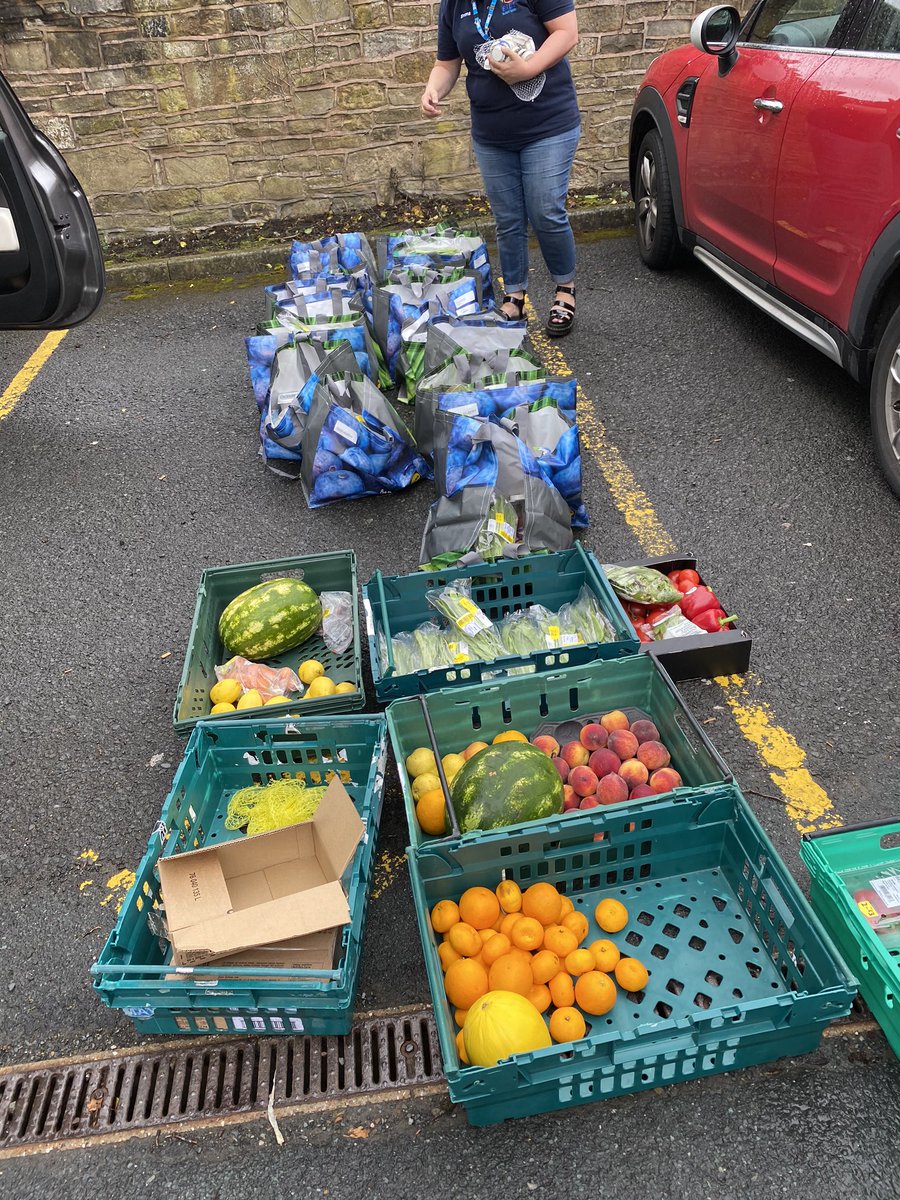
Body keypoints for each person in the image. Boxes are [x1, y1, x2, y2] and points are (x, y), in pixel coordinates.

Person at [420, 1, 580, 337]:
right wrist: (433, 88)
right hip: (492, 133)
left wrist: (529, 68)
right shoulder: (454, 5)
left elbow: (566, 33)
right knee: (508, 218)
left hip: (548, 125)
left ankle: (565, 288)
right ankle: (515, 294)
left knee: (545, 209)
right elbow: (447, 63)